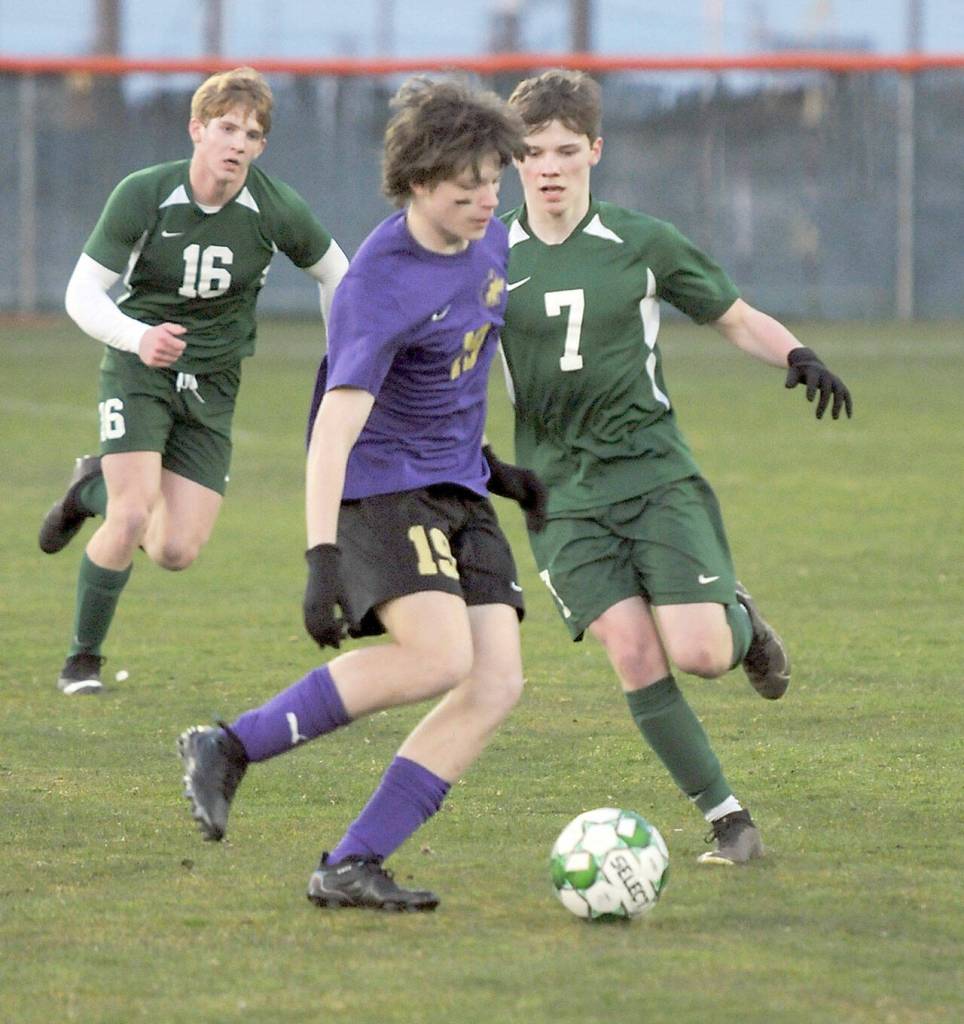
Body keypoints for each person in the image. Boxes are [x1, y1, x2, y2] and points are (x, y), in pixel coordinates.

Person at [177, 77, 546, 912]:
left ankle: (352, 862)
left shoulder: (491, 241)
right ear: (418, 181)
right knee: (440, 657)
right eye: (467, 188)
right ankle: (231, 744)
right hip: (380, 487)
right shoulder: (378, 284)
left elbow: (450, 377)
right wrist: (322, 562)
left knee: (495, 682)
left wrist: (497, 472)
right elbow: (334, 433)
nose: (487, 200)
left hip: (457, 488)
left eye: (495, 181)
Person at [500, 70, 852, 864]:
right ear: (513, 159)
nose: (549, 167)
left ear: (595, 150)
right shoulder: (487, 253)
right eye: (533, 153)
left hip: (653, 474)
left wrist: (796, 353)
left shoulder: (641, 241)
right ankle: (730, 823)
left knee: (701, 653)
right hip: (558, 493)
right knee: (632, 650)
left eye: (565, 150)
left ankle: (741, 624)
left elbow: (733, 317)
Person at [38, 67, 349, 696]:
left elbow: (337, 274)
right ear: (197, 129)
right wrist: (137, 337)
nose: (238, 143)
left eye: (252, 135)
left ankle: (87, 489)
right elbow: (82, 293)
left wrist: (345, 359)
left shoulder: (276, 207)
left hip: (215, 382)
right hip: (140, 368)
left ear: (262, 146)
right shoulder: (145, 193)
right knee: (131, 513)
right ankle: (82, 661)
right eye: (227, 128)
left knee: (176, 551)